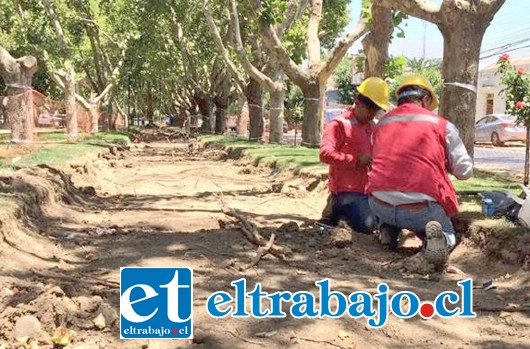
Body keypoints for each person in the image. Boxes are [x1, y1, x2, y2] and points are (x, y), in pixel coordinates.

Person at [365, 74, 473, 269]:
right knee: (445, 230)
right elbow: (464, 171)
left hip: (378, 204)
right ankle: (438, 243)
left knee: (390, 193)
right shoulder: (442, 125)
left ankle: (387, 233)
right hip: (421, 209)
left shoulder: (380, 125)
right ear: (424, 99)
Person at [318, 77, 390, 233]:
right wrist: (356, 161)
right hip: (347, 192)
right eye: (370, 109)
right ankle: (337, 214)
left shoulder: (373, 127)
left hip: (368, 192)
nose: (373, 114)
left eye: (376, 110)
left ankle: (336, 215)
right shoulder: (338, 125)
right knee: (369, 225)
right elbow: (325, 154)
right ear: (358, 103)